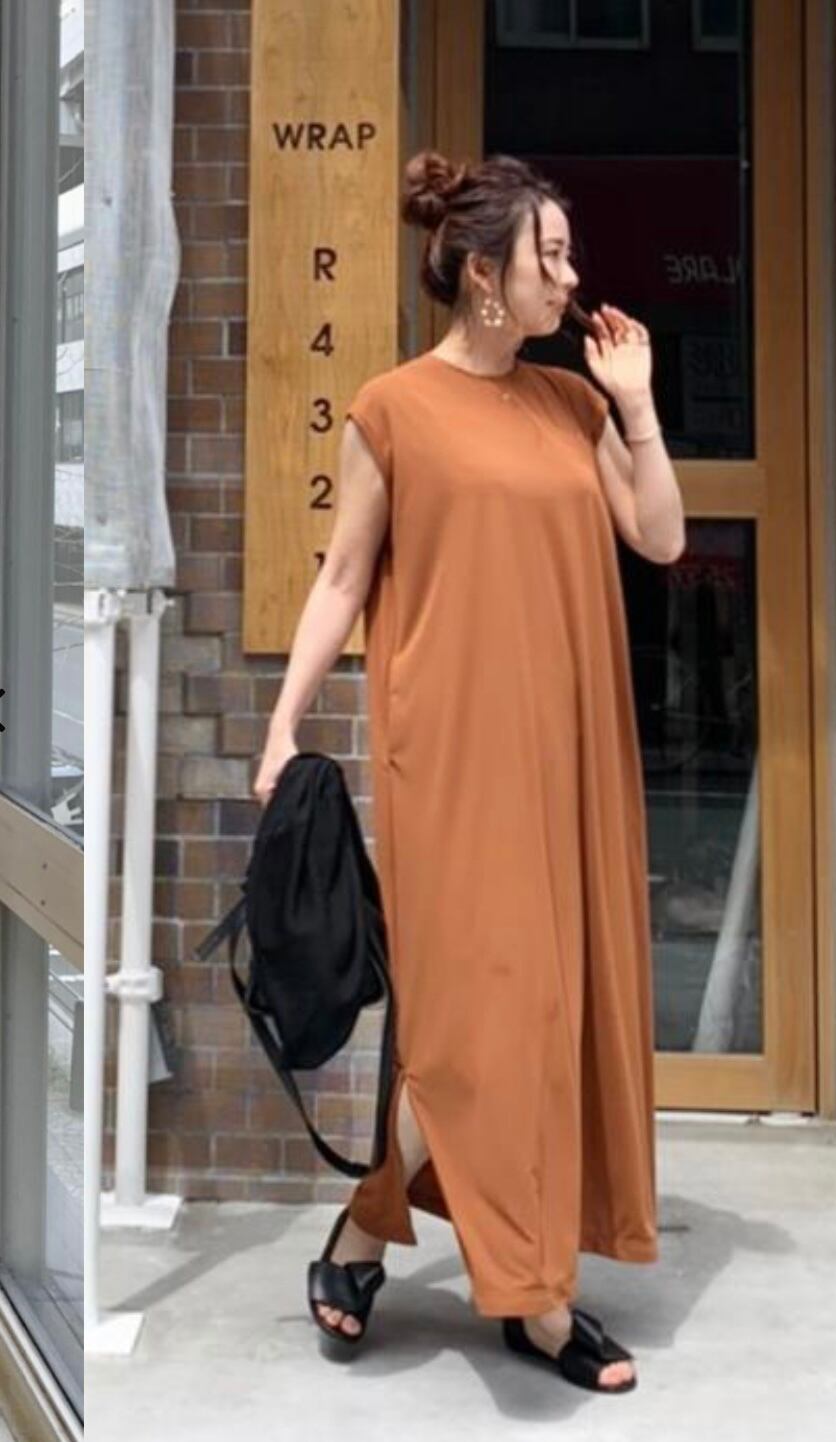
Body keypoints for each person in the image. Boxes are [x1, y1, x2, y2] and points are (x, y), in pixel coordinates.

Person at [253, 150, 685, 1394]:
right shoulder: (392, 409)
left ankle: (386, 1239)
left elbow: (659, 536)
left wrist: (637, 404)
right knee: (473, 1021)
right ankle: (533, 1298)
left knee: (541, 1018)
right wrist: (282, 727)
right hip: (448, 751)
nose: (571, 274)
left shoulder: (572, 406)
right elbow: (342, 578)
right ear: (485, 275)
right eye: (551, 254)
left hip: (569, 749)